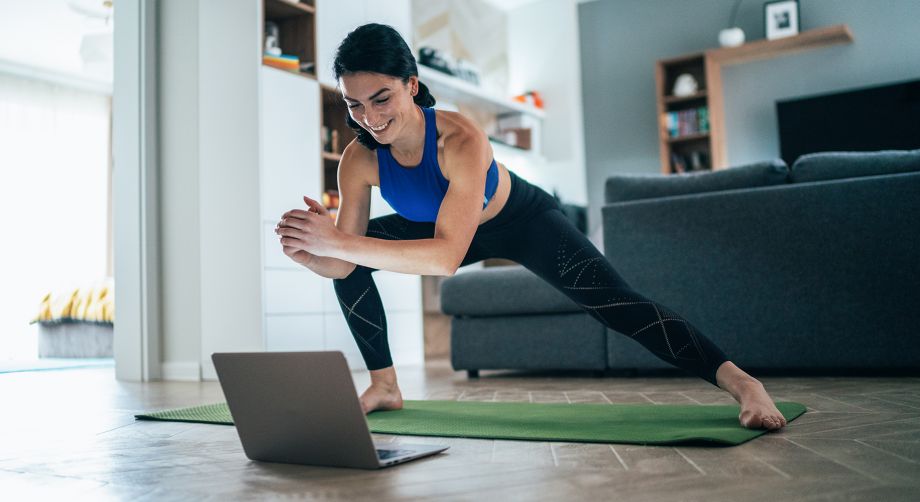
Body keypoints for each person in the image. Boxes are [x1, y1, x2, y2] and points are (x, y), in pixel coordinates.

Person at [274, 23, 787, 430]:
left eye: (380, 98)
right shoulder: (357, 160)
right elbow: (347, 261)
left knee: (616, 303)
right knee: (352, 268)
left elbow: (446, 257)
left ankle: (744, 385)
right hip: (442, 230)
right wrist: (317, 253)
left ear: (411, 85)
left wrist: (341, 242)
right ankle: (384, 385)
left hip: (520, 220)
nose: (367, 116)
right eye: (353, 104)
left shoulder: (460, 140)